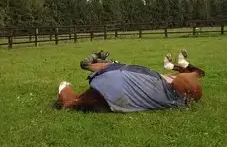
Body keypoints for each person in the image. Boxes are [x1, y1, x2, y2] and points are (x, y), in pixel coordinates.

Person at [53, 49, 205, 113]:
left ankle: (190, 68)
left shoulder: (180, 86)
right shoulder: (176, 90)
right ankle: (189, 68)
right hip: (120, 90)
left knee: (119, 70)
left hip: (119, 85)